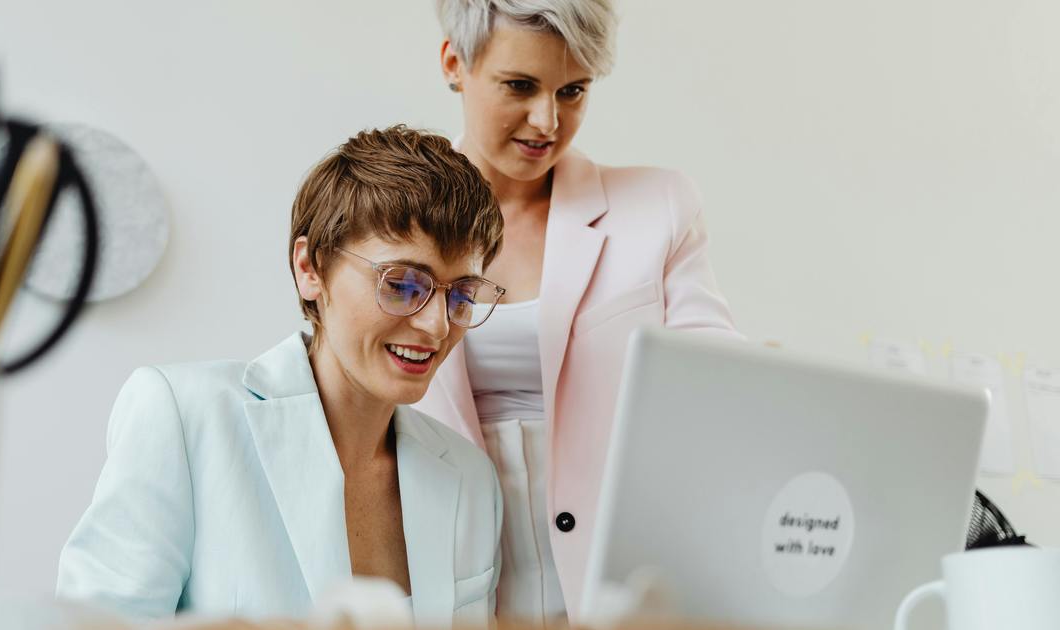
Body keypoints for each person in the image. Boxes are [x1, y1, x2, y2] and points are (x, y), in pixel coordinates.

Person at [57, 126, 506, 628]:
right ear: (310, 267)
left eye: (462, 294)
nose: (437, 324)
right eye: (401, 284)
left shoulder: (471, 479)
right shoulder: (184, 416)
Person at [415, 1, 741, 624]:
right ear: (455, 63)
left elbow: (718, 382)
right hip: (454, 585)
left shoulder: (658, 207)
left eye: (573, 91)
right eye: (520, 86)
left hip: (621, 585)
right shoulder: (395, 223)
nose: (548, 121)